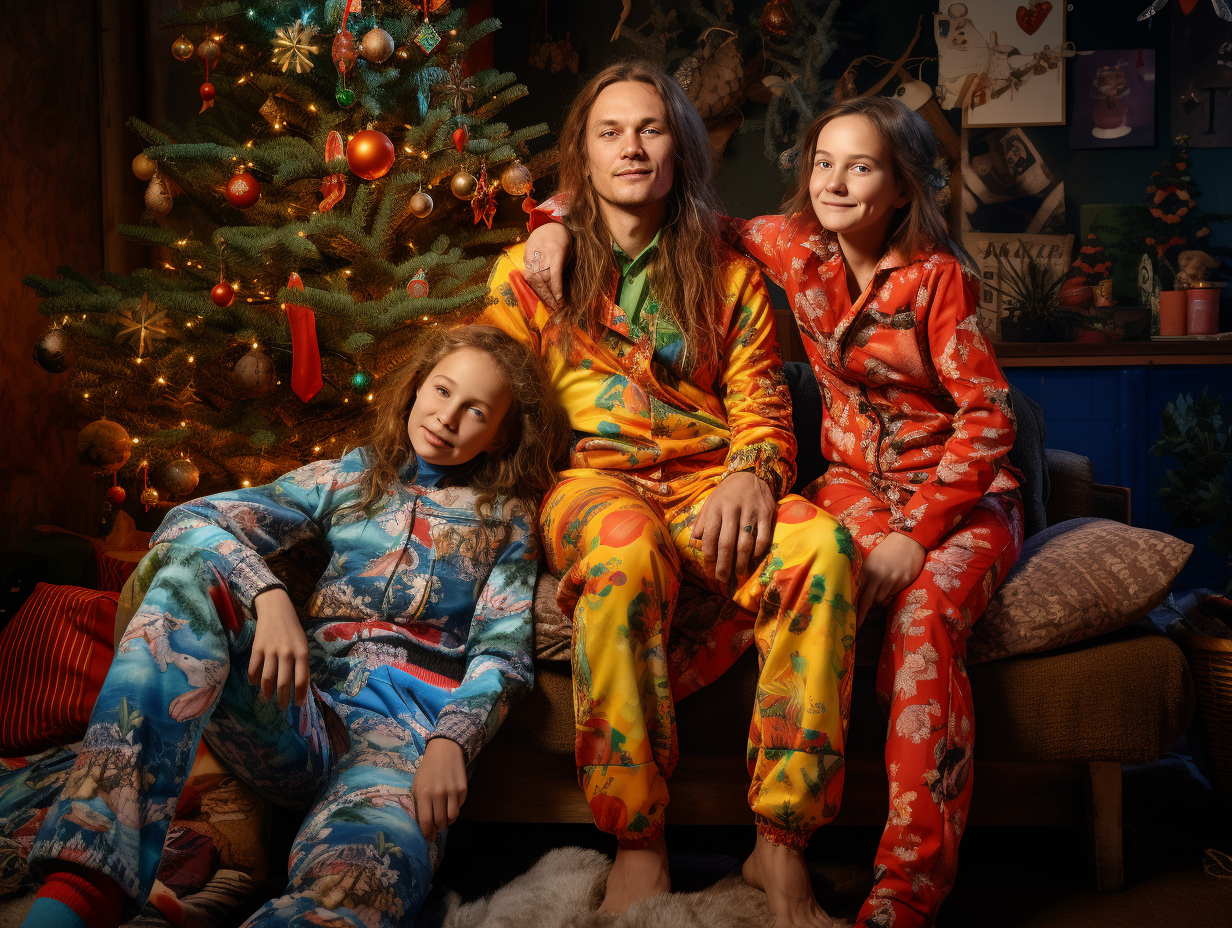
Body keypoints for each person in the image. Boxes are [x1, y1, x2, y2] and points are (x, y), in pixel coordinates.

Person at [523, 95, 1025, 928]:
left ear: (901, 185)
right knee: (811, 550)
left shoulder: (941, 277)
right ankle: (668, 822)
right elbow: (650, 194)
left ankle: (905, 889)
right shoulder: (793, 246)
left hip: (958, 493)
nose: (833, 181)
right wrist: (552, 215)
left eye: (859, 167)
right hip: (854, 485)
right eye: (822, 163)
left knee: (917, 621)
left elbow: (990, 420)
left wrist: (917, 534)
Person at [17, 326, 570, 928]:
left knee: (361, 884)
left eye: (476, 411)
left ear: (499, 435)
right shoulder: (348, 479)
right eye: (440, 391)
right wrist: (268, 592)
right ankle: (82, 892)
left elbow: (502, 652)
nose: (447, 417)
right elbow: (189, 520)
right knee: (186, 574)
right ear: (415, 389)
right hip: (294, 709)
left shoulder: (507, 521)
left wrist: (450, 741)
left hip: (400, 748)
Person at [480, 60, 860, 928]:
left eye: (650, 129)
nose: (632, 148)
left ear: (679, 148)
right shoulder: (528, 273)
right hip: (594, 486)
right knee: (621, 550)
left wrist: (749, 477)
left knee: (823, 548)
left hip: (708, 481)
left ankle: (781, 841)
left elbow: (764, 404)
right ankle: (638, 844)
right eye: (610, 132)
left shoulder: (729, 274)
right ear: (582, 153)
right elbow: (497, 397)